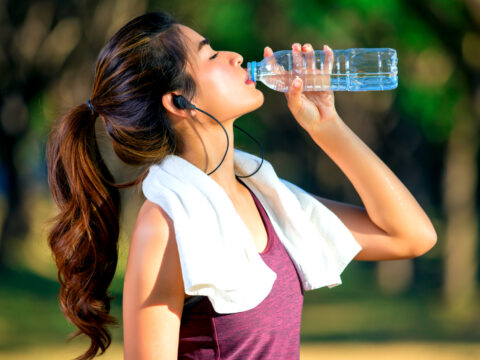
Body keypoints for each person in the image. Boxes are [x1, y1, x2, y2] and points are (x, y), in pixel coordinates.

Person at [46, 11, 437, 360]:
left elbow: (411, 236)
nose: (235, 56)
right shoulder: (165, 225)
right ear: (179, 101)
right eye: (211, 55)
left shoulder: (270, 201)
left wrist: (326, 126)